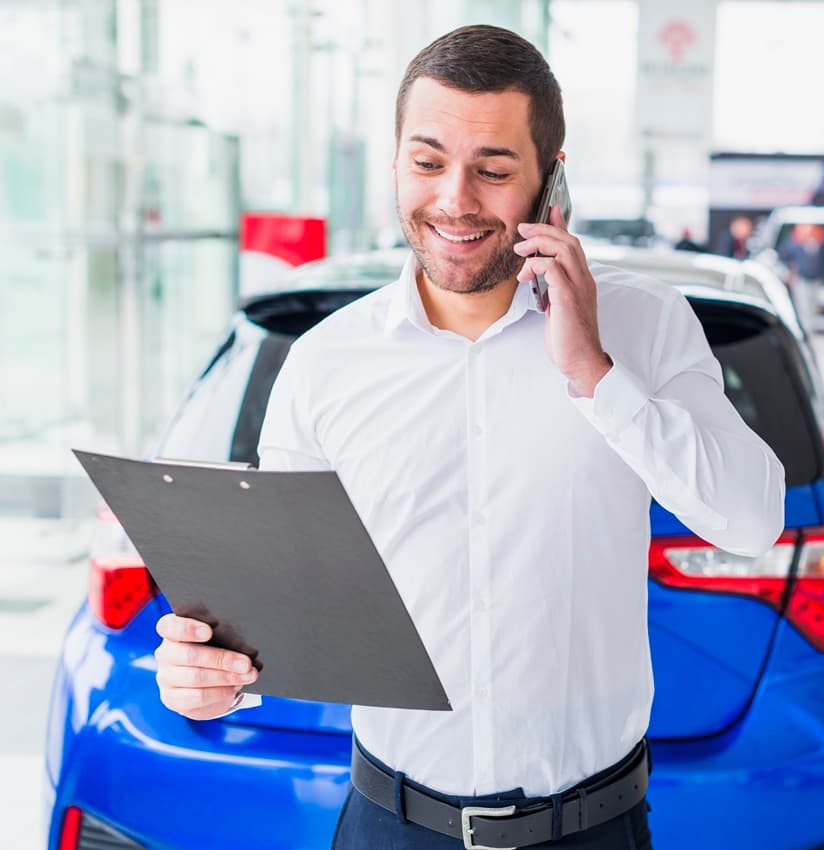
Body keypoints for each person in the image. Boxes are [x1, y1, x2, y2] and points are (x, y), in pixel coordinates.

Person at [151, 24, 785, 850]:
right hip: (389, 823)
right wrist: (213, 678)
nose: (455, 199)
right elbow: (290, 602)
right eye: (427, 163)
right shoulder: (324, 364)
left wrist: (594, 371)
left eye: (492, 170)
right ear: (394, 167)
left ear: (549, 184)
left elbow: (752, 518)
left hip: (590, 827)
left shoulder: (648, 325)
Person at [777, 222, 824, 332]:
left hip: (816, 279)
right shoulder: (794, 244)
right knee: (803, 305)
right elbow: (783, 257)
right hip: (802, 279)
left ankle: (811, 326)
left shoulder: (821, 245)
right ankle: (805, 328)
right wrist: (790, 270)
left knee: (814, 304)